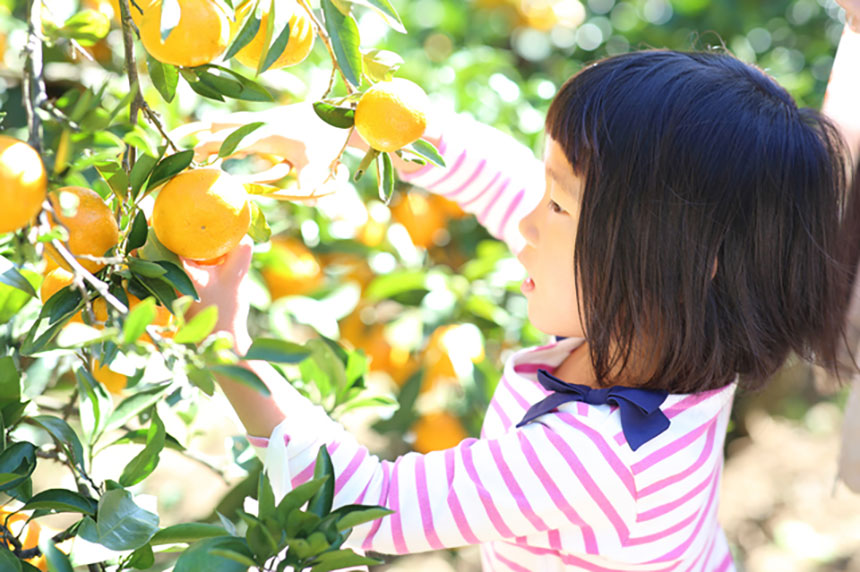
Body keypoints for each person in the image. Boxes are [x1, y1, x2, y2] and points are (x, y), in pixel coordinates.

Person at [182, 5, 860, 571]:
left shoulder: (590, 456)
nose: (528, 223)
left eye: (559, 206)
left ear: (677, 259)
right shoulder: (674, 328)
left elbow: (362, 504)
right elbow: (502, 178)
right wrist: (360, 133)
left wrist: (227, 347)